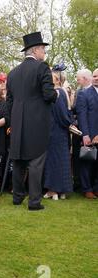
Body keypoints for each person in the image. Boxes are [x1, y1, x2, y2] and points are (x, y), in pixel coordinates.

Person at [5, 32, 58, 211]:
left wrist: (11, 122)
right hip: (36, 122)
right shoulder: (42, 68)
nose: (44, 53)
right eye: (43, 49)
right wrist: (57, 94)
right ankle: (34, 201)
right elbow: (49, 94)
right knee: (36, 161)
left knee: (19, 160)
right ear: (35, 50)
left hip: (17, 122)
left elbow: (9, 102)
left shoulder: (12, 73)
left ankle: (18, 197)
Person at [43, 67, 74, 200]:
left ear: (57, 79)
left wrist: (68, 123)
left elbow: (62, 114)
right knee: (61, 160)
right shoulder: (62, 92)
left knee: (54, 160)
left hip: (55, 131)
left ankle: (53, 190)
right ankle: (61, 191)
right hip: (59, 131)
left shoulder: (57, 92)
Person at [75, 68, 98, 199]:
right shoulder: (84, 94)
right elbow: (82, 115)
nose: (96, 78)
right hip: (89, 134)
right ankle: (87, 189)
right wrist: (86, 134)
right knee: (87, 162)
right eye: (94, 76)